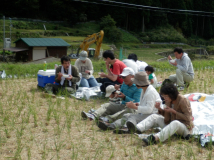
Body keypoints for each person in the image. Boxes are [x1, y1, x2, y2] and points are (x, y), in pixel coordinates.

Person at [97, 72, 161, 132]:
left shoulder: (150, 92)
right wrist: (137, 104)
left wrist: (135, 107)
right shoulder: (144, 89)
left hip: (151, 115)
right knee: (126, 115)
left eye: (136, 82)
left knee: (131, 117)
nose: (135, 84)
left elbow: (149, 109)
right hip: (146, 114)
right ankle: (113, 125)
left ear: (140, 83)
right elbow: (145, 104)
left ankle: (127, 128)